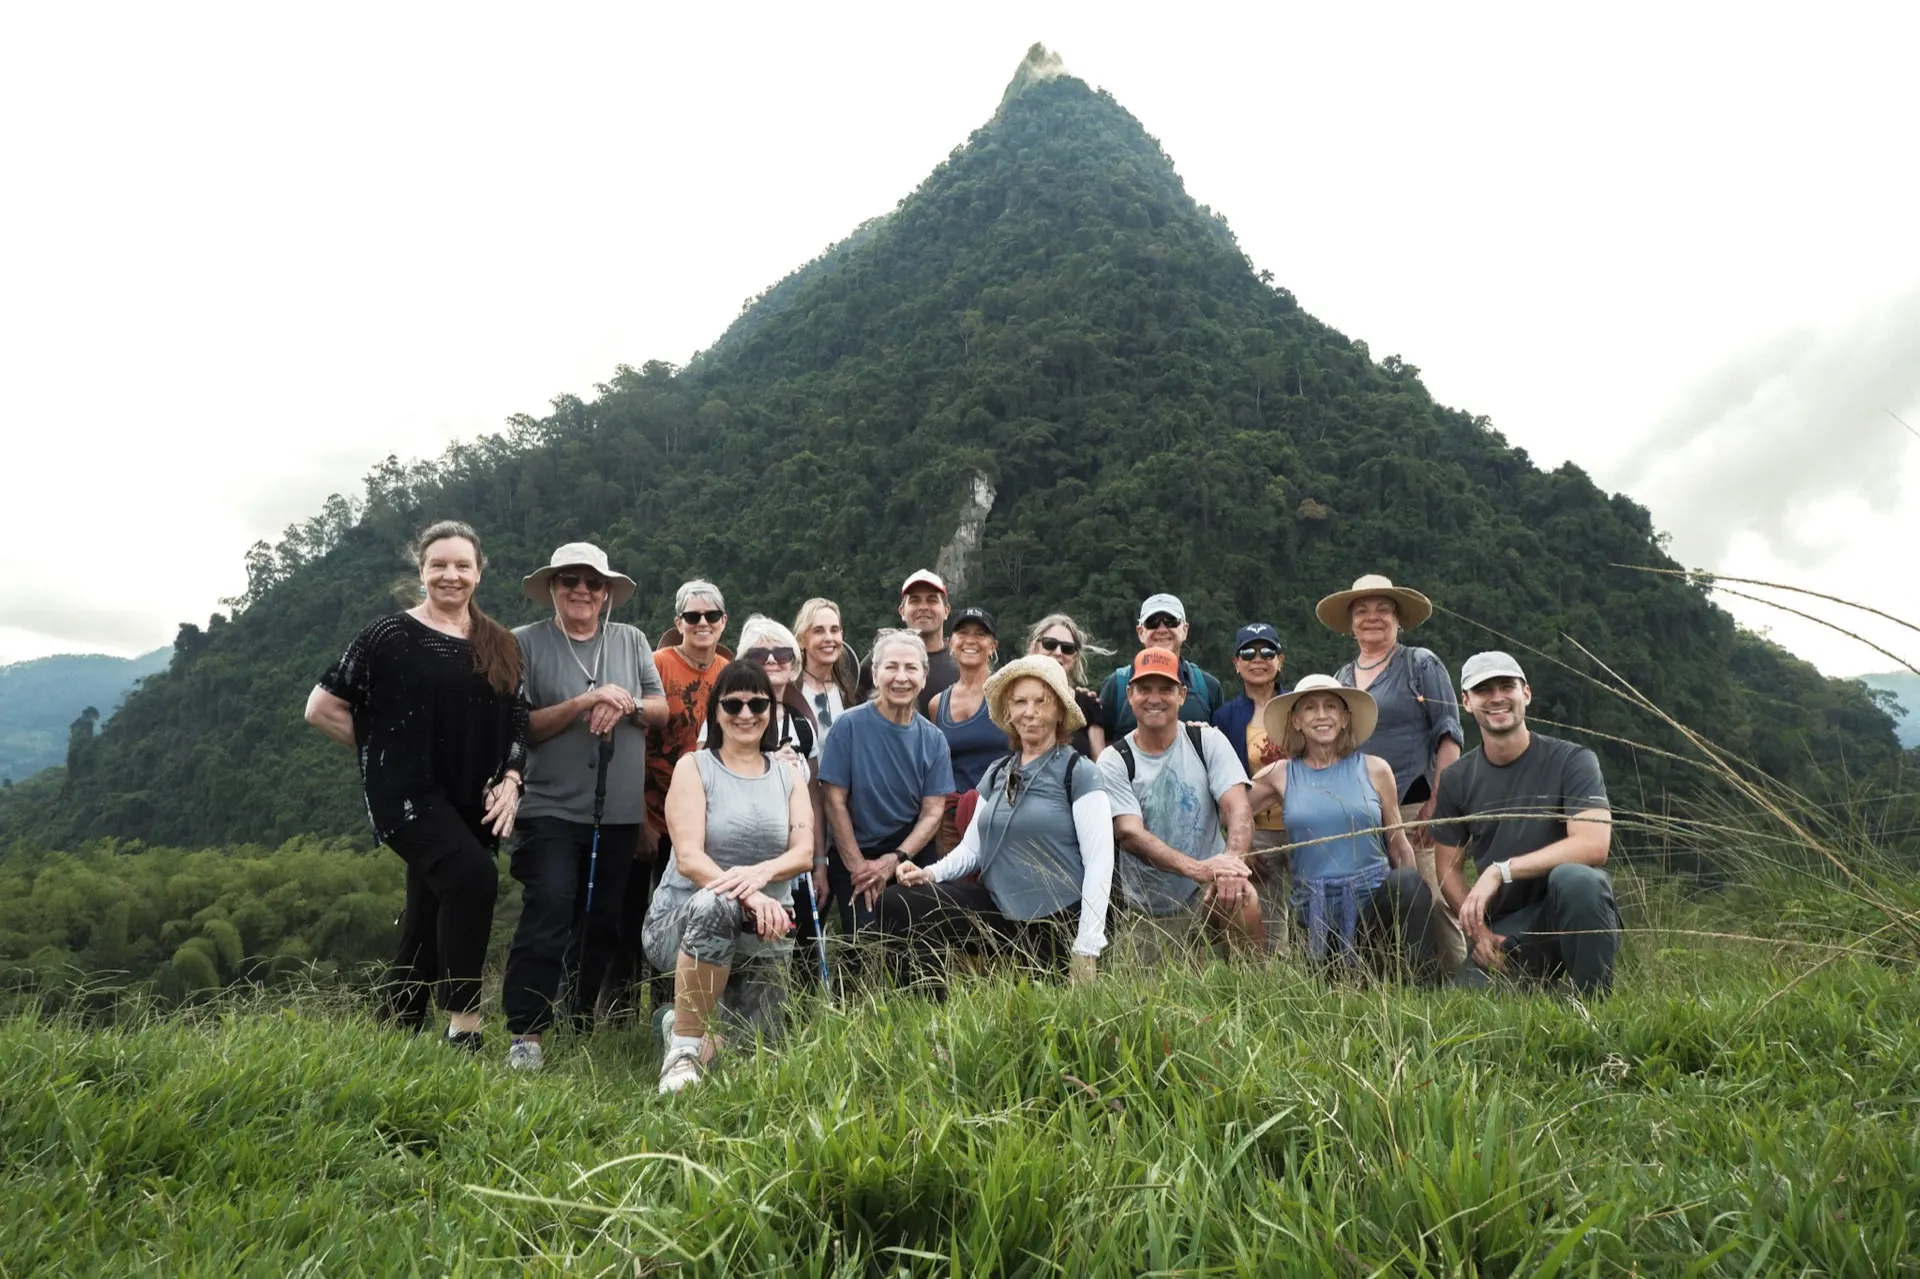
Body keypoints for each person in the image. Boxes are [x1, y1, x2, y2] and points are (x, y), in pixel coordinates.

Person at [303, 520, 527, 1052]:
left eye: (462, 566)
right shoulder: (389, 636)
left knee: (431, 908)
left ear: (479, 572)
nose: (451, 575)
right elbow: (322, 707)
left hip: (474, 800)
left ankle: (396, 1030)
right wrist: (382, 753)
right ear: (422, 571)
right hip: (406, 797)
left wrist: (513, 780)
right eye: (439, 565)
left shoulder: (499, 642)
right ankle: (463, 1031)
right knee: (472, 880)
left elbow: (518, 719)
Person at [499, 543, 667, 1071]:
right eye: (570, 579)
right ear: (552, 586)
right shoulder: (522, 644)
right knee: (549, 906)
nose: (582, 590)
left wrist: (626, 703)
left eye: (593, 583)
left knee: (601, 922)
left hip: (616, 813)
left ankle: (579, 1021)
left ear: (607, 593)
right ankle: (526, 1032)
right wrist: (581, 704)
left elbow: (660, 709)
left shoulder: (632, 640)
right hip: (549, 807)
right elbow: (519, 724)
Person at [881, 655, 1114, 991]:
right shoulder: (997, 773)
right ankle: (928, 1010)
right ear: (1008, 711)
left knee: (1040, 1009)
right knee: (900, 901)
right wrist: (930, 874)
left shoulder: (1079, 772)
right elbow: (973, 849)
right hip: (997, 910)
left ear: (1060, 711)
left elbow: (1099, 864)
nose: (1029, 712)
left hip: (1054, 920)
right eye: (1020, 702)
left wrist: (1087, 946)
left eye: (1041, 701)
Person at [643, 660, 815, 1094]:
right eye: (732, 703)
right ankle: (682, 1050)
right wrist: (749, 895)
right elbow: (689, 859)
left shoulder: (788, 775)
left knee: (757, 1056)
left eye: (757, 703)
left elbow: (804, 852)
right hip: (685, 921)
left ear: (770, 711)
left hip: (765, 931)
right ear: (716, 712)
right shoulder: (694, 767)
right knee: (717, 901)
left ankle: (675, 1024)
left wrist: (762, 875)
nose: (745, 713)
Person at [1431, 652, 1620, 995]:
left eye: (1507, 686)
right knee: (1461, 1007)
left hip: (1571, 912)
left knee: (1577, 878)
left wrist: (1500, 870)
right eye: (1484, 690)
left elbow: (1594, 845)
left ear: (1526, 694)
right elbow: (1447, 868)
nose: (1497, 697)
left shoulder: (1573, 760)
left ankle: (1592, 1005)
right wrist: (1479, 931)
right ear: (1467, 702)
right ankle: (1542, 991)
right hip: (1507, 926)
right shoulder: (1457, 778)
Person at [1245, 675, 1449, 975]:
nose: (1322, 715)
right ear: (1297, 721)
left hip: (1373, 905)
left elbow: (1397, 842)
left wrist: (1412, 896)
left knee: (1407, 884)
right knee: (1330, 993)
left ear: (1344, 719)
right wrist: (1242, 847)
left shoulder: (1375, 769)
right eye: (1310, 708)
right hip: (1314, 912)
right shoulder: (1279, 773)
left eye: (1331, 706)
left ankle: (1420, 985)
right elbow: (1232, 810)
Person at [1319, 573, 1467, 968]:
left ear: (1398, 619)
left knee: (1432, 898)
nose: (1373, 617)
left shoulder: (1419, 664)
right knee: (1373, 904)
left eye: (1383, 609)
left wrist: (1439, 800)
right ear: (1350, 624)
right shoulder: (1340, 680)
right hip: (1359, 815)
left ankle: (1460, 980)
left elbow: (1448, 734)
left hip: (1415, 806)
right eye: (1362, 610)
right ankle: (1394, 982)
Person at [606, 579, 731, 1016]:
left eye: (710, 616)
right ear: (677, 622)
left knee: (681, 913)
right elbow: (631, 738)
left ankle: (670, 1009)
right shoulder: (657, 665)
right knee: (629, 912)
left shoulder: (727, 673)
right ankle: (617, 1012)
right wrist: (638, 814)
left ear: (722, 622)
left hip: (697, 821)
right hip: (647, 809)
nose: (702, 624)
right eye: (692, 616)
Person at [1099, 647, 1262, 962]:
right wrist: (1199, 868)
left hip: (1210, 889)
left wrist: (1233, 861)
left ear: (1182, 695)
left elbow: (1238, 807)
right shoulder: (1115, 760)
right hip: (1149, 906)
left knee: (1242, 895)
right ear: (1129, 695)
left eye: (1166, 689)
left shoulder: (1207, 741)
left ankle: (1253, 988)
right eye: (1144, 689)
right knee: (1150, 1003)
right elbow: (1130, 834)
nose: (1154, 698)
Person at [818, 630, 955, 938]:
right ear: (876, 673)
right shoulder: (848, 726)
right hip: (855, 848)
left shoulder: (933, 739)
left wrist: (893, 862)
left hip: (908, 850)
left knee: (920, 938)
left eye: (911, 668)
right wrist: (858, 868)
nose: (901, 677)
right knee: (867, 941)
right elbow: (834, 801)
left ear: (923, 676)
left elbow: (933, 812)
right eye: (891, 667)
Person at [736, 614, 831, 981]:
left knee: (801, 945)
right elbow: (708, 775)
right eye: (760, 654)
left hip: (795, 858)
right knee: (750, 948)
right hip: (747, 852)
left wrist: (819, 860)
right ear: (745, 662)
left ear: (795, 663)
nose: (772, 660)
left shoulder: (802, 724)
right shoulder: (729, 715)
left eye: (782, 653)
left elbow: (814, 797)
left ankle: (804, 1027)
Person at [1211, 622, 1291, 950]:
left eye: (1267, 651)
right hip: (1257, 831)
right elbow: (1219, 783)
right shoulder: (1225, 717)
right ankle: (1276, 977)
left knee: (1314, 904)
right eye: (1248, 652)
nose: (1258, 659)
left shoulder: (1298, 706)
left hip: (1303, 824)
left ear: (1280, 660)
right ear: (1236, 663)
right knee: (1269, 914)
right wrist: (1241, 843)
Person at [1098, 593, 1227, 738]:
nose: (1162, 629)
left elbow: (1221, 743)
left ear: (1184, 630)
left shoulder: (1208, 687)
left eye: (1171, 621)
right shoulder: (1116, 685)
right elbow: (1101, 744)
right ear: (1140, 632)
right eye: (1152, 622)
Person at [930, 606, 1005, 851]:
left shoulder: (1006, 696)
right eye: (963, 633)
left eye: (980, 634)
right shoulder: (937, 704)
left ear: (993, 645)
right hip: (952, 821)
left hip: (1002, 813)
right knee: (955, 889)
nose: (971, 640)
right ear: (950, 642)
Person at [856, 569, 958, 714]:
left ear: (946, 611)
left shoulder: (959, 664)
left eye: (932, 600)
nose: (923, 607)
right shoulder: (879, 659)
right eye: (915, 600)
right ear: (902, 611)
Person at [1025, 612, 1112, 758]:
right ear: (1035, 647)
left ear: (1075, 657)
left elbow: (1100, 766)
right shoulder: (1012, 697)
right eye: (1050, 644)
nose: (1058, 652)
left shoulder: (1088, 705)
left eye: (1067, 648)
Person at [793, 597, 859, 737]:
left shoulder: (847, 690)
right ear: (801, 640)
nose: (829, 638)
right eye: (819, 631)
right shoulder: (790, 691)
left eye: (834, 630)